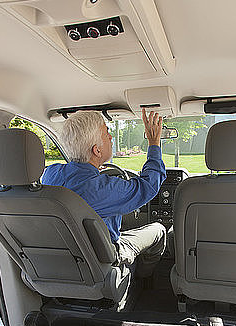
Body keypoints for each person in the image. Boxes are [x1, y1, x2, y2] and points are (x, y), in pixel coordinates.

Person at [42, 108, 167, 277]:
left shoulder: (50, 175)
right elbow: (148, 186)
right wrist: (154, 144)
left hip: (64, 262)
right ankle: (143, 282)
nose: (111, 137)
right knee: (159, 230)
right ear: (97, 150)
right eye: (106, 132)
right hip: (105, 260)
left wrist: (93, 167)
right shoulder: (103, 188)